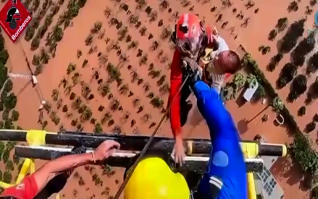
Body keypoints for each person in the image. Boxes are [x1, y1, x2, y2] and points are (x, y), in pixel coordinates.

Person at [124, 62, 247, 199]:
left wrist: (198, 84)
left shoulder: (226, 184)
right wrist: (199, 85)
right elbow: (224, 128)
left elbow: (224, 129)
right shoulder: (226, 185)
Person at [169, 13, 236, 164]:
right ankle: (185, 108)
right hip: (194, 74)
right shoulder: (179, 58)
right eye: (185, 44)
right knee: (176, 106)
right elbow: (174, 96)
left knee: (208, 104)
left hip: (209, 79)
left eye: (192, 41)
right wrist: (178, 136)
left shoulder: (210, 37)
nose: (190, 46)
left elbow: (223, 68)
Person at [0, 140, 120, 199]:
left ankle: (61, 176)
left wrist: (93, 156)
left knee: (50, 185)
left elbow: (49, 170)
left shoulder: (15, 195)